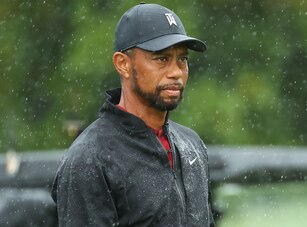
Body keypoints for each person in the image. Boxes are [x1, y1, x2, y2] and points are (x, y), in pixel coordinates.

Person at [51, 3, 215, 227]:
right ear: (123, 64)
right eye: (162, 59)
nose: (176, 72)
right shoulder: (90, 159)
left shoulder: (192, 146)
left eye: (182, 60)